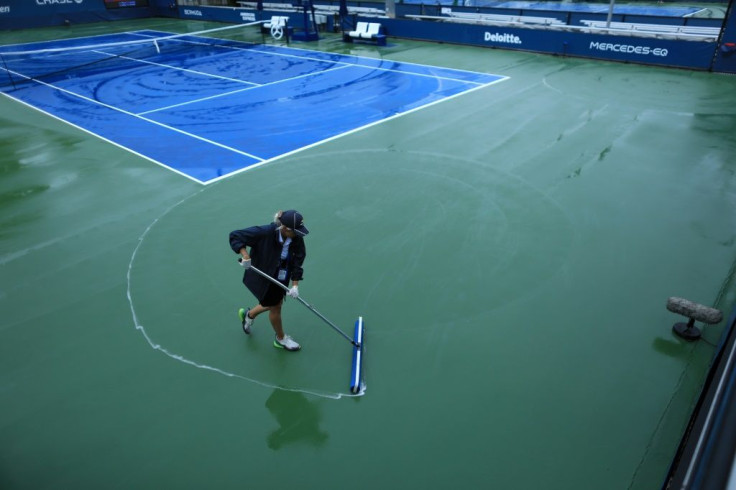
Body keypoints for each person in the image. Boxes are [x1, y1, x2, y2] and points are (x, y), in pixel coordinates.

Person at [229, 210, 309, 352]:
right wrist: (246, 255)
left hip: (282, 274)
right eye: (296, 231)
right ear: (284, 228)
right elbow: (235, 235)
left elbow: (298, 260)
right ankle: (280, 338)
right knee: (275, 306)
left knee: (273, 303)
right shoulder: (265, 232)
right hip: (264, 275)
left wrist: (295, 285)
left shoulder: (296, 237)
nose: (298, 234)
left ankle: (249, 315)